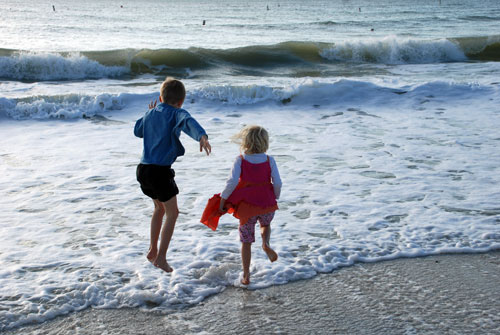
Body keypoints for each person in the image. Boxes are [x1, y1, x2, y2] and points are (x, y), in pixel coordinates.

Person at [134, 77, 211, 273]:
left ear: (161, 97)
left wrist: (148, 113)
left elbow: (138, 131)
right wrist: (201, 136)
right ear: (181, 101)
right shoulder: (177, 113)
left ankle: (152, 249)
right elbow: (187, 121)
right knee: (173, 213)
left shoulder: (152, 113)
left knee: (159, 208)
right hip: (160, 172)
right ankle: (161, 257)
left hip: (143, 170)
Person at [219, 125, 282, 285]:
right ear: (265, 142)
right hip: (267, 204)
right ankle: (266, 244)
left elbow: (232, 181)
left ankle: (246, 275)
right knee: (265, 225)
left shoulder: (240, 160)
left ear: (245, 141)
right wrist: (275, 196)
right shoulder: (269, 160)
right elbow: (278, 182)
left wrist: (223, 199)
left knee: (246, 242)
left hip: (247, 208)